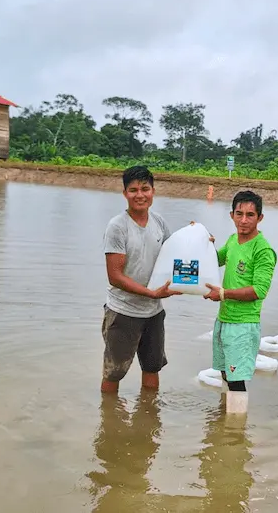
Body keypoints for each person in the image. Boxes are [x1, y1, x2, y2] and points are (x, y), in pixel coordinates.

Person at [100, 165, 180, 394]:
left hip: (153, 313)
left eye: (145, 189)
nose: (140, 195)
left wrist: (201, 240)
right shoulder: (118, 226)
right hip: (123, 312)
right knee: (113, 372)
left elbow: (175, 256)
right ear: (125, 193)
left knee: (152, 368)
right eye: (133, 190)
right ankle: (109, 421)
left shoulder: (160, 223)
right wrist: (151, 293)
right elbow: (115, 277)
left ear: (153, 191)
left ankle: (150, 417)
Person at [203, 190, 277, 414]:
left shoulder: (263, 250)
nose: (244, 220)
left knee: (237, 381)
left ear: (260, 218)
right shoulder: (233, 240)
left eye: (250, 215)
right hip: (224, 319)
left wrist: (224, 294)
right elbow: (215, 260)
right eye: (239, 214)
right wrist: (202, 242)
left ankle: (235, 434)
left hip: (243, 325)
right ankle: (224, 420)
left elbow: (259, 290)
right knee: (226, 373)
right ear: (232, 215)